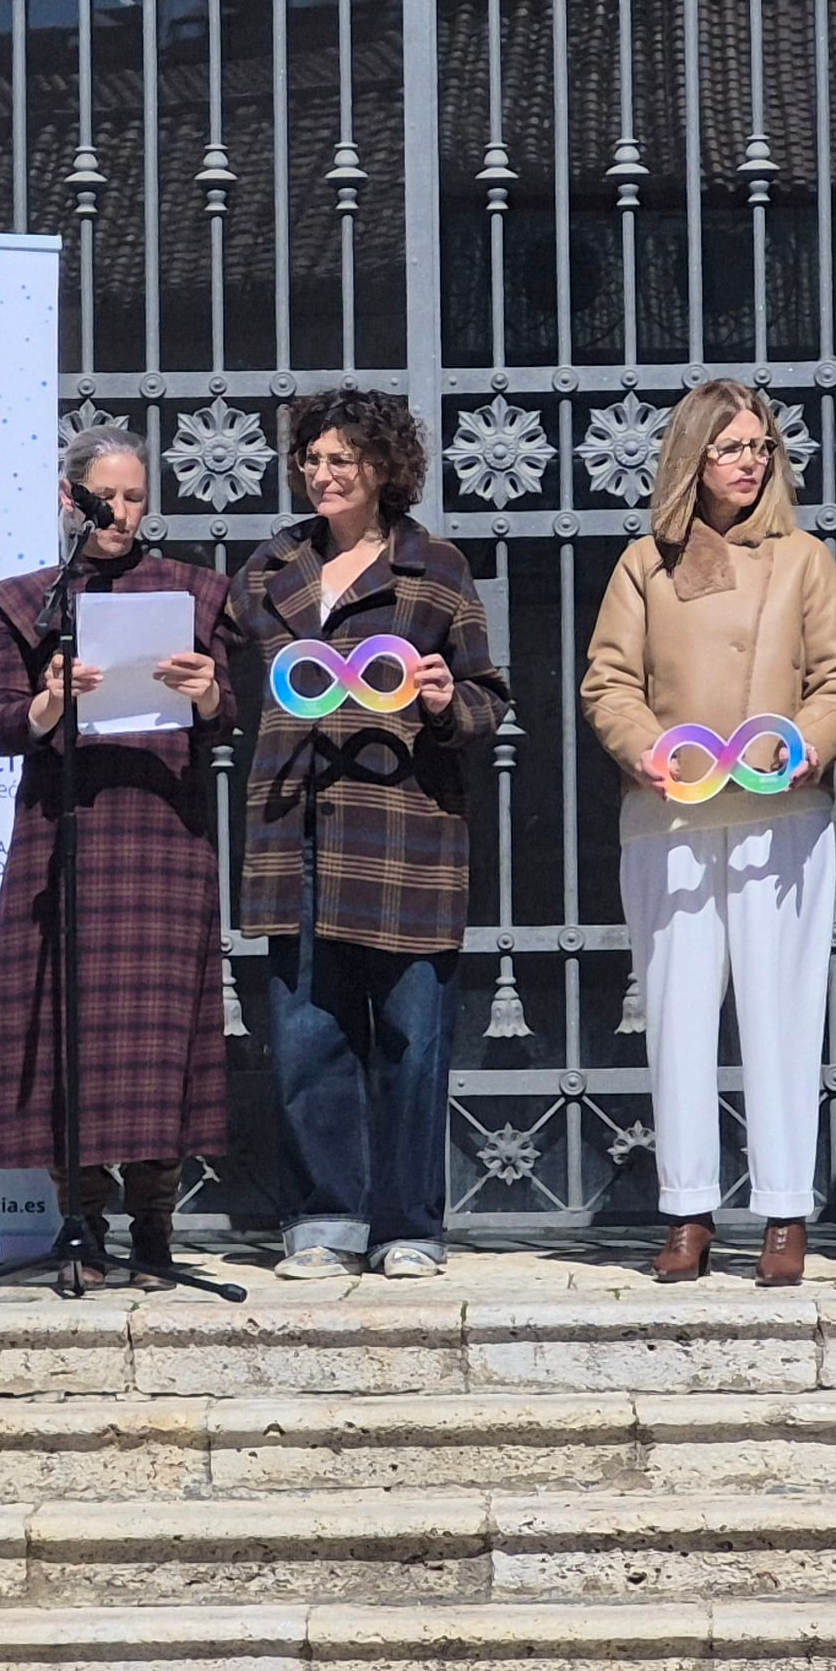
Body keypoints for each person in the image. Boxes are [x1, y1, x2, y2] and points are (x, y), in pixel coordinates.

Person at [580, 380, 836, 1287]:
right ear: (692, 460)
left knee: (781, 1013)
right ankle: (687, 1211)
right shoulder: (644, 563)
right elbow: (608, 683)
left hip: (780, 813)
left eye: (760, 449)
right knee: (676, 1013)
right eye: (731, 448)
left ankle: (785, 1212)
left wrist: (807, 747)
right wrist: (649, 749)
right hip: (671, 812)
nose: (749, 464)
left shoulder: (804, 560)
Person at [229, 388, 508, 1282]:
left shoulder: (437, 569)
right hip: (294, 823)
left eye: (341, 459)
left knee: (412, 1038)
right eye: (311, 459)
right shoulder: (269, 568)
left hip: (405, 832)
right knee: (310, 1034)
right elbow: (231, 690)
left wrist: (442, 700)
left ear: (385, 468)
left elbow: (488, 698)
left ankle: (408, 1226)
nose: (322, 473)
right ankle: (323, 1220)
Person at [0, 424, 234, 1285]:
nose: (122, 512)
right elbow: (3, 724)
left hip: (163, 836)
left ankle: (153, 1226)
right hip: (64, 837)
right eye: (106, 497)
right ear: (69, 499)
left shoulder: (196, 591)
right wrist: (49, 702)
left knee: (159, 1037)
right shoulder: (25, 601)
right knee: (65, 1031)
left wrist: (205, 696)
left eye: (133, 496)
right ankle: (80, 1221)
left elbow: (235, 718)